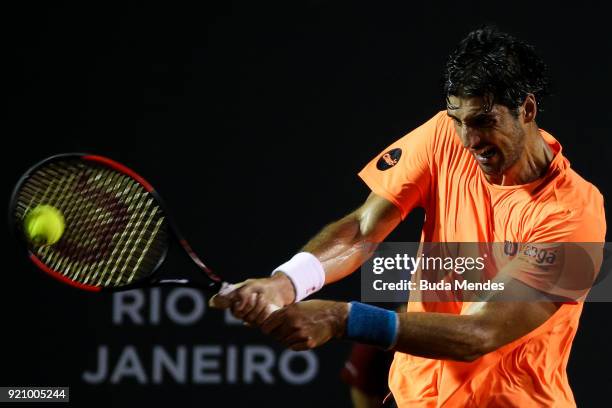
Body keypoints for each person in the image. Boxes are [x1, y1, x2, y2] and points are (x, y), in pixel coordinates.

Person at [211, 26, 606, 407]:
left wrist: (340, 318)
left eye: (483, 122)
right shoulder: (442, 136)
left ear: (527, 109)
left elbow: (479, 333)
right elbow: (364, 229)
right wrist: (287, 283)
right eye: (458, 121)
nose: (469, 141)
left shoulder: (575, 215)